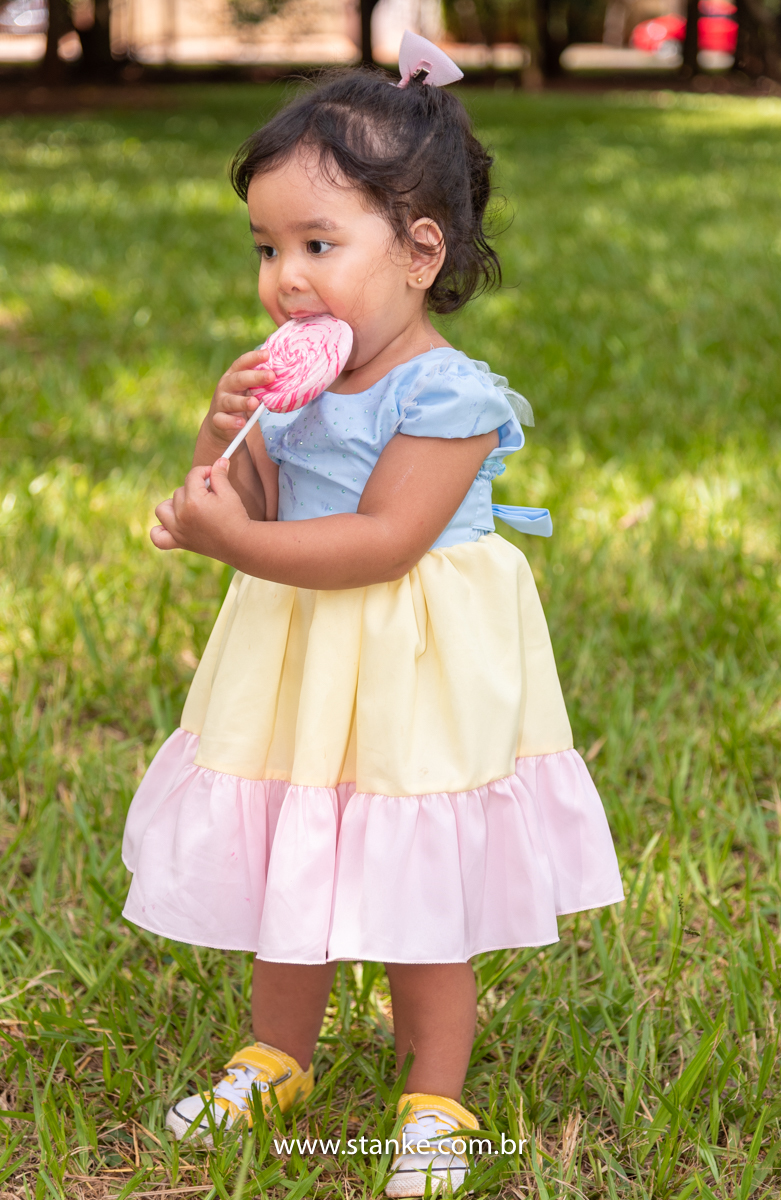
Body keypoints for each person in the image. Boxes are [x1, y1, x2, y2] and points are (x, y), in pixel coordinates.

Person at [121, 32, 623, 1198]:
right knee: (294, 846)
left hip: (409, 660)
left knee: (414, 868)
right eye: (266, 246)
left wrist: (232, 542)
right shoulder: (297, 377)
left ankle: (434, 1097)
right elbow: (251, 492)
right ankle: (276, 1055)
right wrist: (216, 441)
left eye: (317, 244)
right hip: (301, 658)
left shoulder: (448, 392)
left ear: (418, 253)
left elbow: (385, 540)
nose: (285, 276)